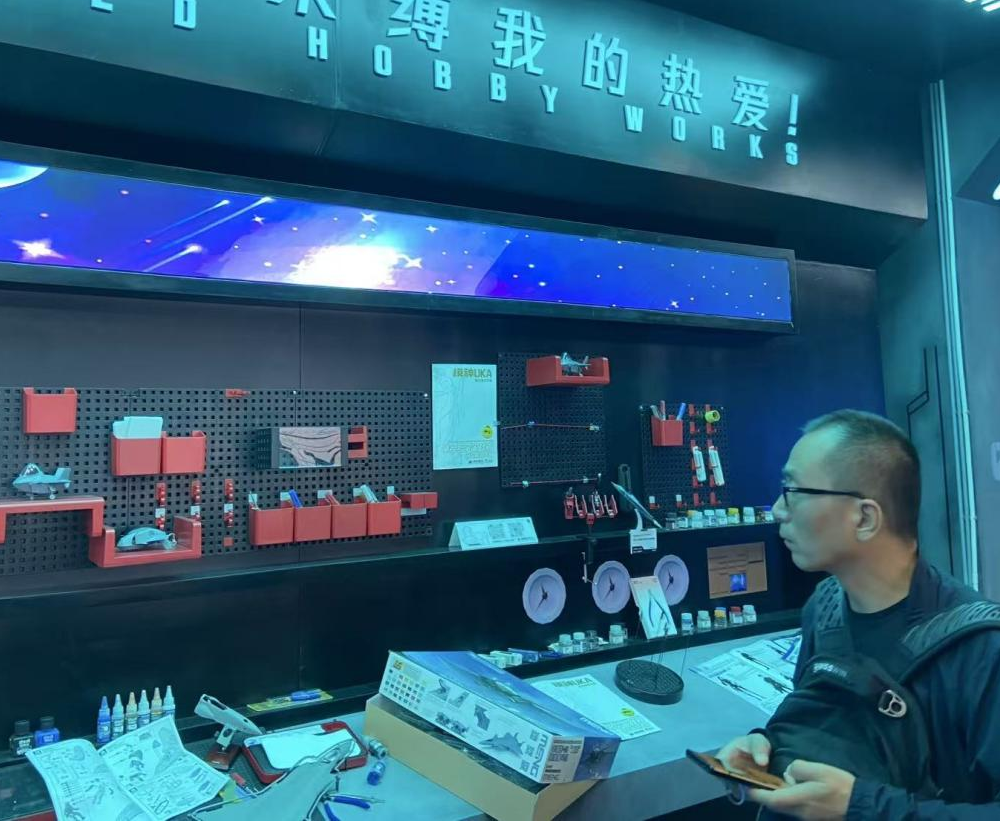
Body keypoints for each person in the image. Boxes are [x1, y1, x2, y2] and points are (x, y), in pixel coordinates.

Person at [717, 410, 1000, 820]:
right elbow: (833, 726)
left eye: (793, 491)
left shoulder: (981, 651)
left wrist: (861, 807)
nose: (778, 509)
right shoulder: (825, 606)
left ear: (865, 518)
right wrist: (769, 747)